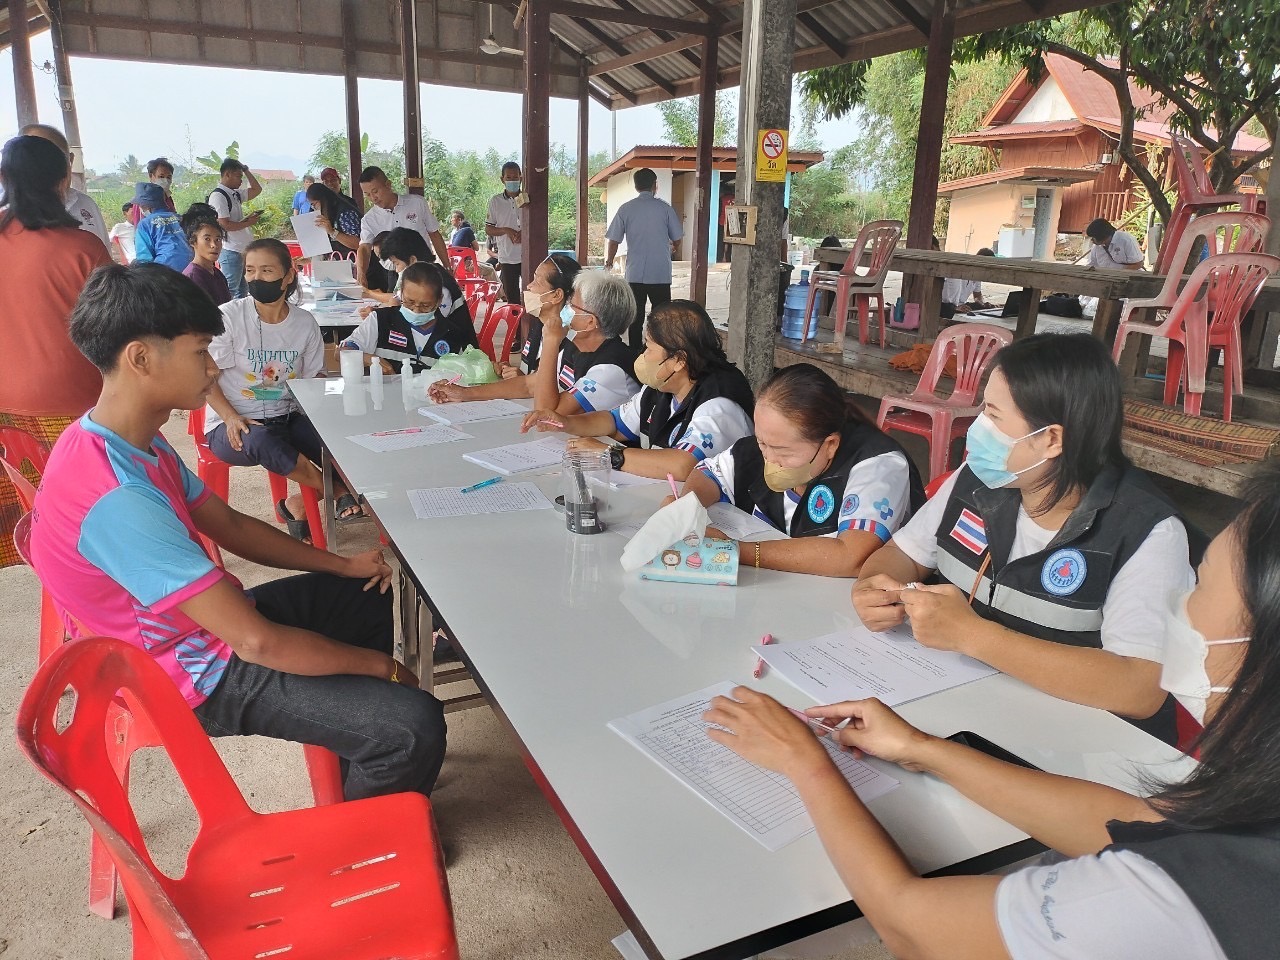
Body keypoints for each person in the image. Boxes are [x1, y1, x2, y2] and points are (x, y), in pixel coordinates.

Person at [704, 471, 1280, 960]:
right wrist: (923, 749)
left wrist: (804, 762)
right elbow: (1139, 819)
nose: (1179, 605)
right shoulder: (1251, 808)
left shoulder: (1190, 895)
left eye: (1201, 583)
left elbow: (910, 926)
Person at [28, 262, 446, 802]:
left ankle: (362, 758)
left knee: (364, 594)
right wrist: (383, 669)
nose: (212, 369)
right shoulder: (117, 498)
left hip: (199, 632)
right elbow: (256, 641)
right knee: (413, 725)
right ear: (140, 358)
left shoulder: (121, 440)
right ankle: (369, 821)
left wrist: (342, 563)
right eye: (201, 352)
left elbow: (227, 524)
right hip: (183, 674)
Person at [852, 333, 1193, 743]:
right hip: (960, 708)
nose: (977, 428)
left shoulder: (1146, 532)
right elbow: (901, 555)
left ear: (1051, 440)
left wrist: (972, 636)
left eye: (993, 416)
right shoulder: (977, 481)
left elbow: (1139, 689)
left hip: (1071, 745)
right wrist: (871, 588)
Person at [681, 364, 925, 577]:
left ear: (830, 445)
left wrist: (736, 550)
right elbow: (709, 474)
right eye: (762, 442)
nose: (769, 458)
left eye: (784, 452)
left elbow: (852, 555)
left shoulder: (877, 465)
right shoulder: (769, 443)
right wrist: (685, 506)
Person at [0, 134, 112, 568]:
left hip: (6, 409)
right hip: (76, 406)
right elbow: (116, 327)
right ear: (63, 180)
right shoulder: (83, 248)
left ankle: (52, 567)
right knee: (94, 520)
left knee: (34, 516)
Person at [201, 237, 362, 535]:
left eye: (266, 271)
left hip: (287, 417)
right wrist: (230, 417)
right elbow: (206, 378)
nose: (256, 278)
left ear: (288, 276)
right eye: (250, 270)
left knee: (339, 442)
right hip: (233, 424)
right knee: (262, 440)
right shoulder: (229, 317)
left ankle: (297, 506)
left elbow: (313, 379)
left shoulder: (304, 323)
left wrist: (330, 410)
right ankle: (339, 491)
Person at [521, 300, 754, 480]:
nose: (643, 355)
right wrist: (564, 422)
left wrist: (609, 454)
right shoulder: (663, 386)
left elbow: (683, 465)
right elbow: (615, 422)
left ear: (678, 360)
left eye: (649, 348)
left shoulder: (719, 404)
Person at [432, 261, 639, 417]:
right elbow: (530, 384)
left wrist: (551, 342)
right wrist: (464, 393)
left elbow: (547, 414)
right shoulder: (577, 346)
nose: (565, 308)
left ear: (590, 322)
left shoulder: (610, 369)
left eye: (572, 305)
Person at [342, 262, 478, 375]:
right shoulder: (380, 321)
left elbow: (467, 376)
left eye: (425, 305)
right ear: (400, 294)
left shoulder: (453, 335)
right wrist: (368, 359)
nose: (416, 310)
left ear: (439, 301)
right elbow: (342, 352)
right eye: (409, 302)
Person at [605, 168, 684, 350]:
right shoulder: (665, 208)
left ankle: (634, 352)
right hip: (660, 273)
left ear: (636, 186)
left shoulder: (626, 209)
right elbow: (677, 237)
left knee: (635, 317)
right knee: (662, 317)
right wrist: (674, 247)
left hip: (635, 273)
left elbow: (614, 240)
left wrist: (609, 262)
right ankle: (660, 349)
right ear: (655, 185)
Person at [20, 123, 109, 248]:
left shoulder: (86, 205)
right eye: (37, 160)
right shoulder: (6, 214)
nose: (48, 170)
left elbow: (105, 256)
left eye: (55, 160)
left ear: (70, 160)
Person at [356, 166, 449, 285]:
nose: (373, 198)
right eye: (367, 194)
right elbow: (364, 248)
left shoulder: (417, 203)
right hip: (395, 273)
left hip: (424, 269)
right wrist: (361, 273)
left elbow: (434, 234)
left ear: (388, 185)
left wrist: (447, 267)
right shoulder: (369, 219)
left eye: (375, 191)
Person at [358, 227, 467, 321]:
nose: (397, 270)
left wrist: (380, 317)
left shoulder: (436, 285)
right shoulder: (424, 277)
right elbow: (400, 305)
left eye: (397, 264)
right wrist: (378, 312)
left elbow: (422, 325)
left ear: (412, 260)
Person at [207, 158, 263, 298]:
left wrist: (246, 170)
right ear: (227, 174)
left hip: (241, 249)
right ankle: (226, 312)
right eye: (238, 176)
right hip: (231, 249)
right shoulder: (218, 196)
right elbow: (224, 224)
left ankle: (238, 312)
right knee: (230, 289)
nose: (241, 181)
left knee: (242, 289)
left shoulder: (235, 194)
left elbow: (257, 189)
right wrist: (248, 223)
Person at [485, 162, 524, 307]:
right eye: (509, 177)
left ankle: (530, 323)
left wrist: (524, 233)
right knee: (512, 299)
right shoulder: (496, 201)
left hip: (527, 256)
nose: (512, 181)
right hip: (507, 257)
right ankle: (516, 323)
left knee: (532, 297)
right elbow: (489, 229)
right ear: (503, 179)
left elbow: (537, 223)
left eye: (515, 177)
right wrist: (506, 230)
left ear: (521, 178)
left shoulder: (527, 199)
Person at [132, 182, 193, 273]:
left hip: (165, 272)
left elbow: (144, 259)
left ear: (145, 205)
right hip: (192, 267)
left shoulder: (145, 224)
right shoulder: (180, 218)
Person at [181, 205, 232, 306]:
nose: (214, 245)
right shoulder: (193, 277)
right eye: (207, 239)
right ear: (193, 242)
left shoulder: (217, 273)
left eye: (218, 239)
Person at [305, 180, 361, 254]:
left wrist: (332, 232)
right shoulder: (328, 214)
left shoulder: (345, 213)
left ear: (323, 200)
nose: (314, 209)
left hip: (353, 259)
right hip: (335, 259)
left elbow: (358, 243)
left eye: (314, 204)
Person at [941, 247, 995, 319]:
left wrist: (982, 304)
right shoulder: (958, 273)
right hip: (948, 308)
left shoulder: (978, 276)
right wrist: (955, 308)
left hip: (962, 307)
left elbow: (977, 295)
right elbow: (944, 300)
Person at [125, 156, 177, 226]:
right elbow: (141, 225)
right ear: (151, 176)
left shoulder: (167, 197)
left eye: (169, 177)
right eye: (161, 177)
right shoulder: (143, 199)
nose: (165, 180)